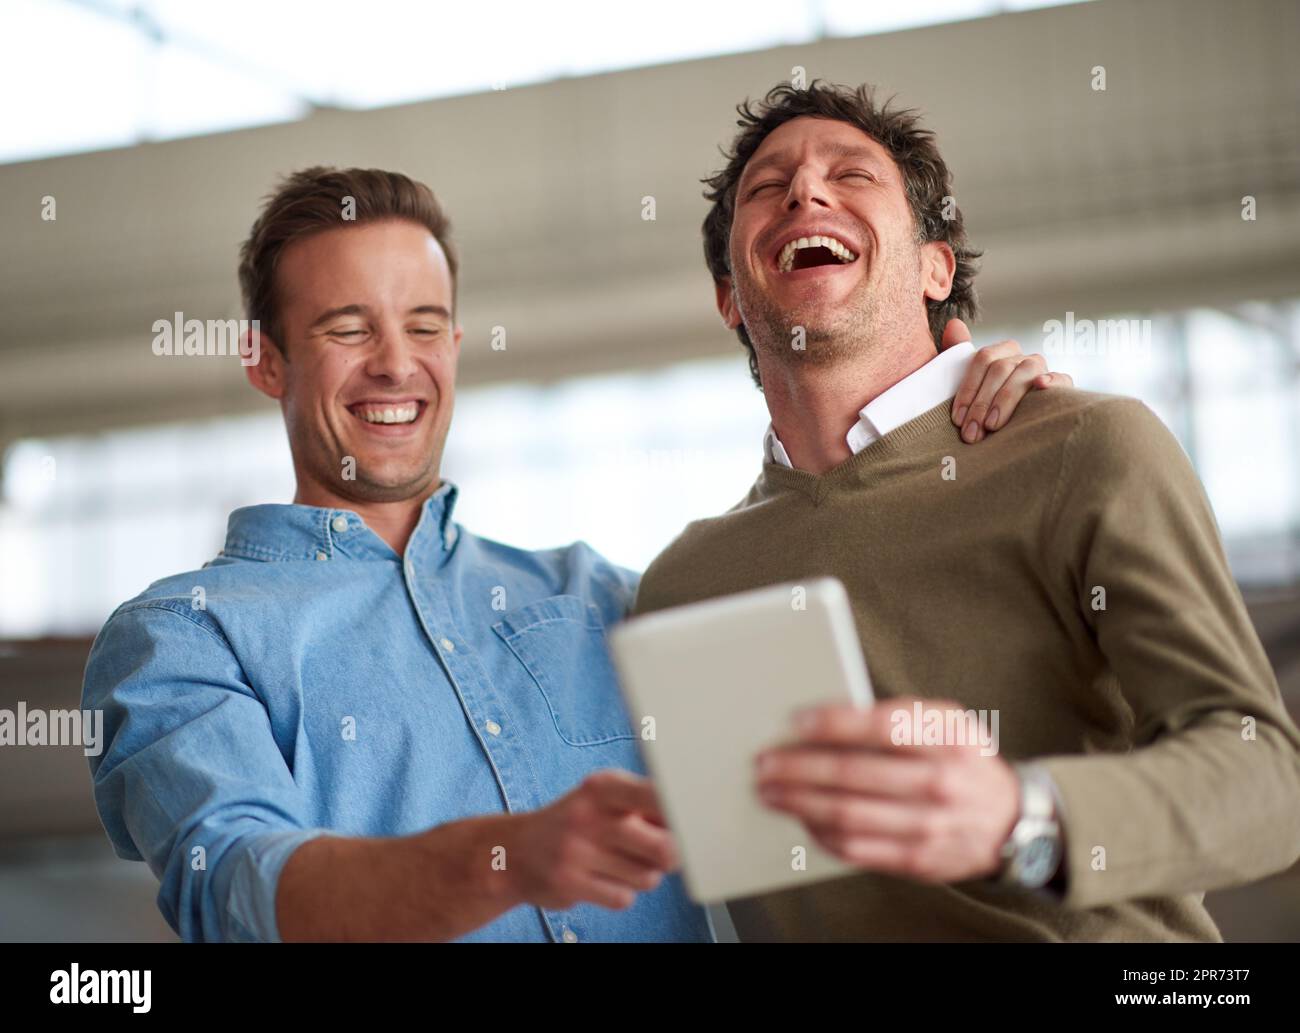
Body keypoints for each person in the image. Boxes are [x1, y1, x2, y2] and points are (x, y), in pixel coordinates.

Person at [82, 164, 1065, 943]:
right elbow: (242, 889)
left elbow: (849, 684)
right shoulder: (181, 637)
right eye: (347, 327)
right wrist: (506, 857)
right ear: (266, 360)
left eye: (423, 325)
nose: (394, 362)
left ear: (455, 344)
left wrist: (958, 431)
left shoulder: (603, 597)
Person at [633, 81, 1300, 941]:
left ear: (932, 267)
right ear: (730, 294)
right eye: (769, 187)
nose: (805, 191)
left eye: (851, 174)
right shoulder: (681, 587)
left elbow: (1269, 782)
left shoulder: (1087, 447)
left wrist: (1020, 817)